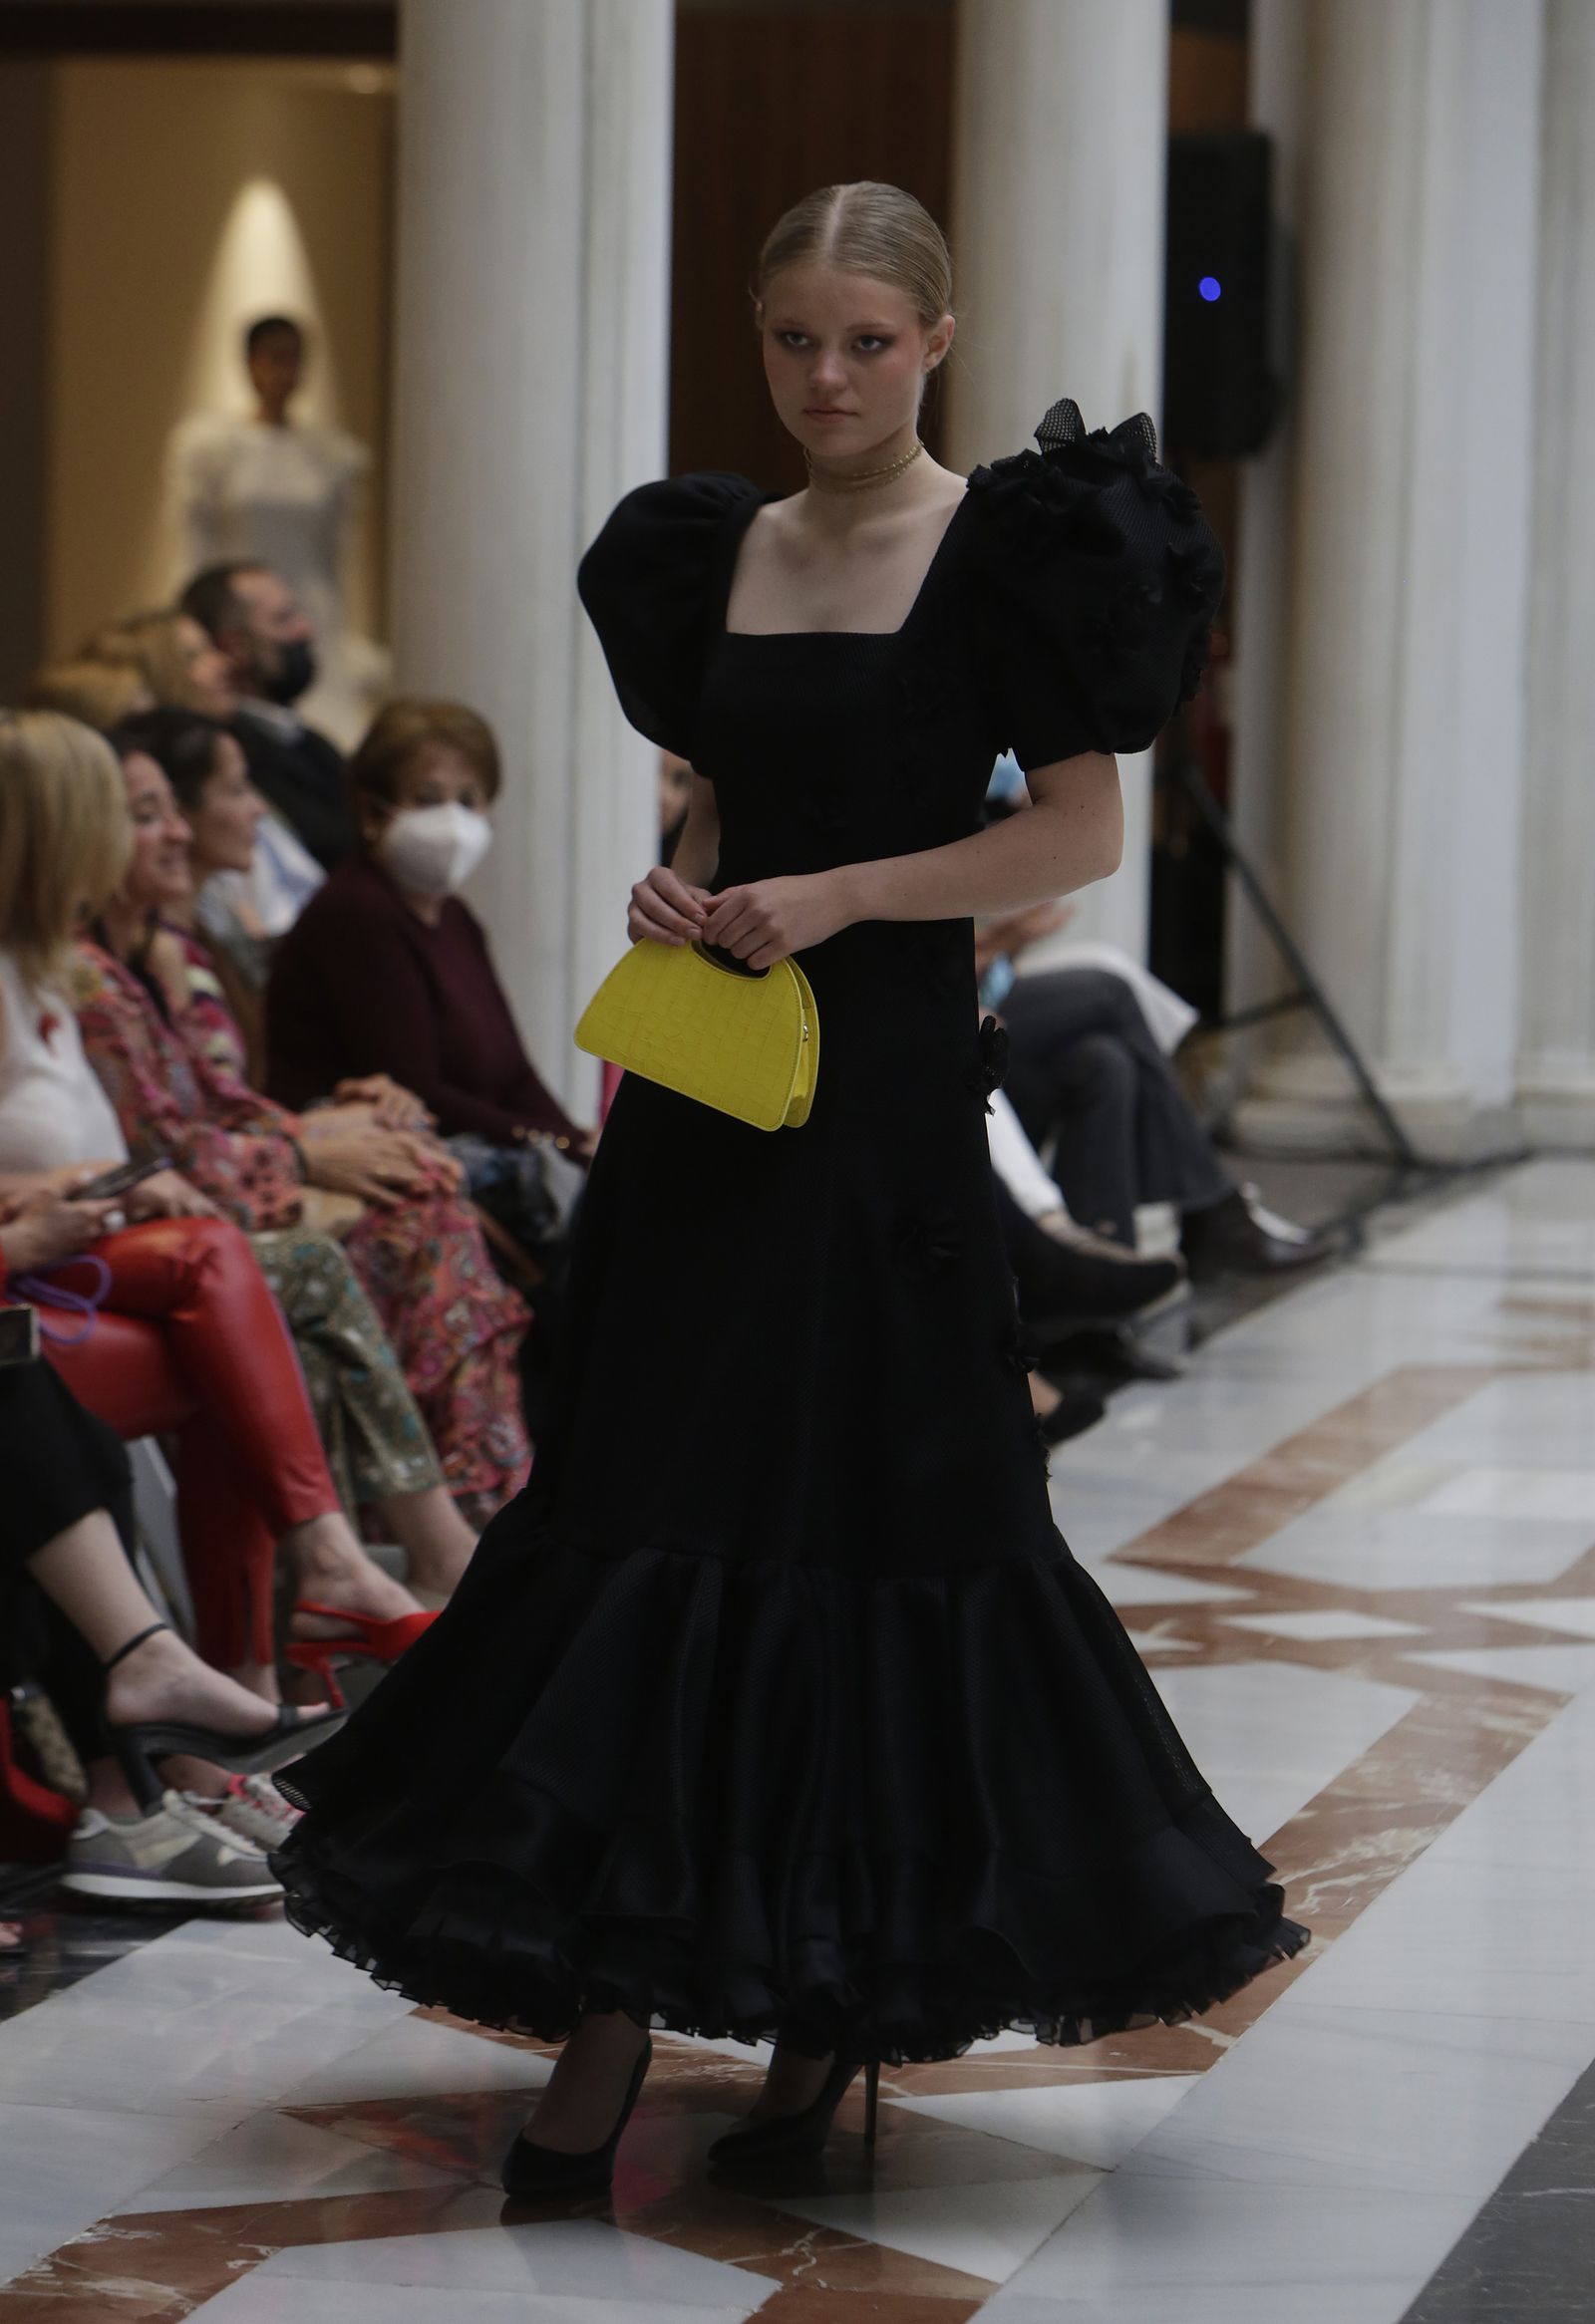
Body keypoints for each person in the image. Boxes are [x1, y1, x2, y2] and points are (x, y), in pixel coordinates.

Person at [269, 180, 1308, 2195]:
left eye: (860, 340)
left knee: (863, 1514)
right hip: (707, 1086)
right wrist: (693, 870)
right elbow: (741, 787)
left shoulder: (1012, 549)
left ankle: (830, 2000)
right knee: (652, 1495)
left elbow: (1071, 840)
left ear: (935, 339)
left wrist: (836, 894)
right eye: (788, 342)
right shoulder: (710, 549)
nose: (822, 377)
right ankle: (612, 1997)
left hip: (885, 1100)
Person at [0, 710, 435, 1695]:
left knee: (240, 1334)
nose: (140, 838)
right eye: (114, 813)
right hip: (36, 1267)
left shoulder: (65, 970)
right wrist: (67, 1187)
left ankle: (244, 1688)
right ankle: (331, 1582)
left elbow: (218, 1109)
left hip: (91, 1251)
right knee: (224, 1277)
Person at [79, 725, 531, 1525]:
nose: (186, 826)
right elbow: (160, 1148)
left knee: (422, 1186)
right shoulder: (93, 975)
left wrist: (332, 1118)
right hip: (148, 1215)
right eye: (154, 813)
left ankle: (477, 1510)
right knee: (422, 1211)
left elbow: (225, 1104)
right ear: (80, 831)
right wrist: (310, 1146)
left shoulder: (168, 950)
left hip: (211, 1190)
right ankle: (462, 1521)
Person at [264, 697, 598, 1251]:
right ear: (372, 813)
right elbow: (419, 1087)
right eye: (427, 798)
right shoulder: (356, 914)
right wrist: (556, 1143)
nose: (452, 820)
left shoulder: (455, 916)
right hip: (380, 1173)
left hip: (474, 1157)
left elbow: (514, 1072)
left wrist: (576, 1140)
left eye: (468, 800)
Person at [165, 313, 376, 745]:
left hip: (309, 607)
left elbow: (332, 555)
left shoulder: (327, 454)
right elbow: (198, 544)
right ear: (250, 363)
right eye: (276, 358)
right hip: (239, 610)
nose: (287, 372)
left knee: (323, 729)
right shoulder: (216, 449)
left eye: (296, 359)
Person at [179, 559, 358, 869]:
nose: (305, 628)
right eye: (283, 618)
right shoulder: (229, 751)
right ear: (235, 646)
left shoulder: (312, 740)